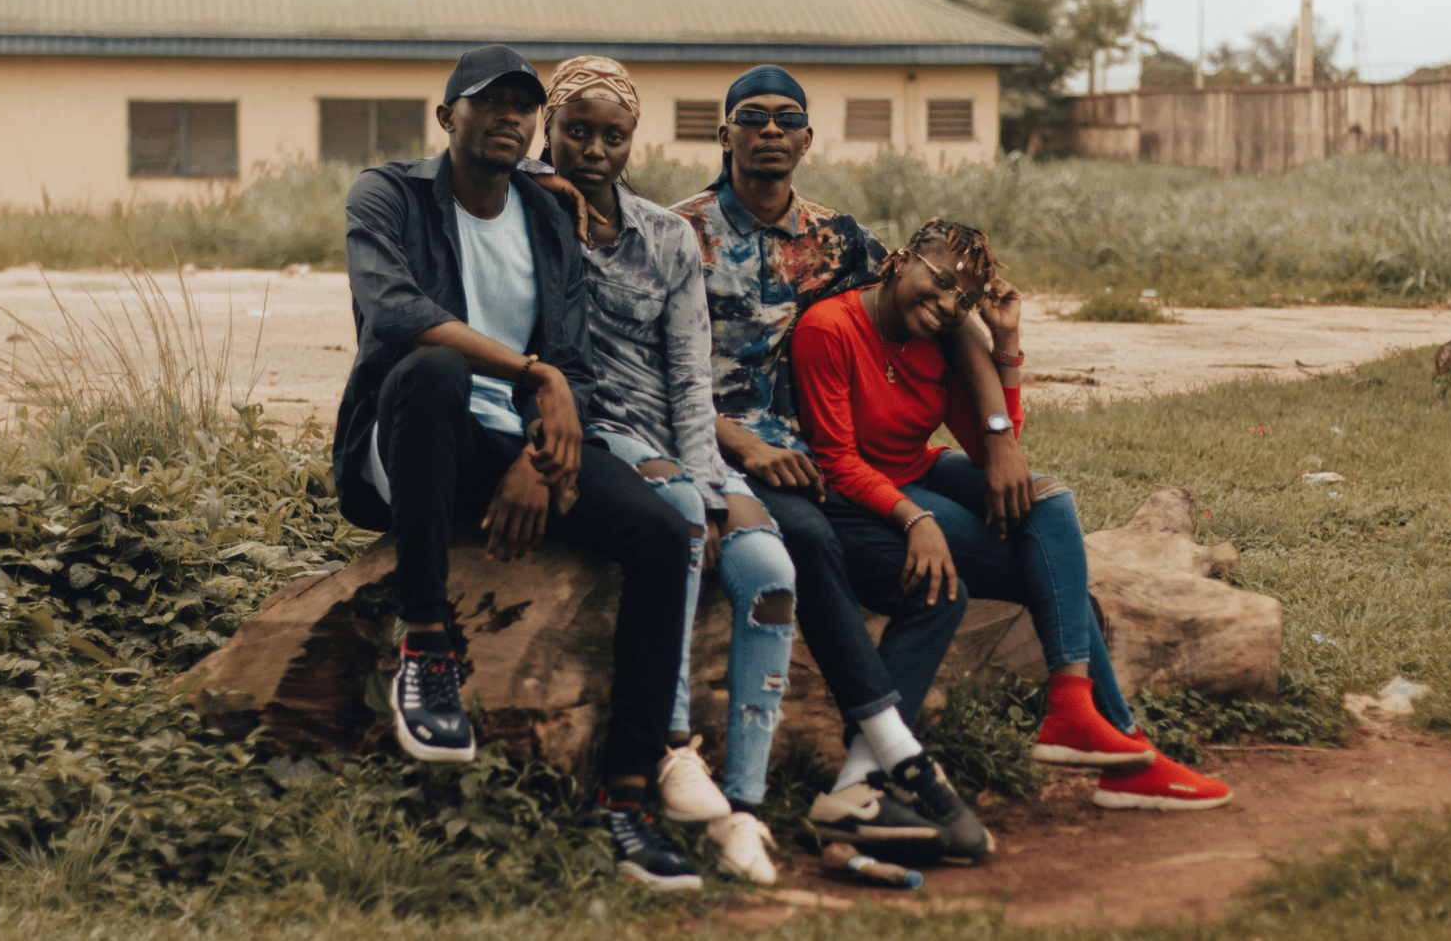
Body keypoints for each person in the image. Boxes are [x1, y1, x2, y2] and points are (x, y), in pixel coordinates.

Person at [332, 44, 702, 891]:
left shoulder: (546, 213)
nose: (509, 116)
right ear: (447, 116)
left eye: (523, 105)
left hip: (508, 444)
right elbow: (396, 312)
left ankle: (628, 795)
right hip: (413, 442)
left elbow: (570, 358)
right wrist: (534, 376)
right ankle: (426, 645)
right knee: (433, 369)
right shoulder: (387, 194)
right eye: (488, 101)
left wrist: (540, 456)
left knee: (661, 532)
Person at [671, 66, 1031, 864]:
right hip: (718, 454)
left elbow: (945, 322)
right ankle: (904, 755)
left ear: (807, 138)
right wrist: (744, 444)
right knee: (809, 540)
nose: (770, 130)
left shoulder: (843, 240)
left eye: (786, 118)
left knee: (938, 586)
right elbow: (653, 370)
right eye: (752, 117)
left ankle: (856, 782)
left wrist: (998, 429)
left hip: (822, 461)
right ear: (724, 133)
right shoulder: (676, 234)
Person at [790, 217, 1233, 811]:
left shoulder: (943, 338)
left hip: (920, 468)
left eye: (963, 299)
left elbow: (997, 451)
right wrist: (914, 519)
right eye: (940, 281)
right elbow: (836, 460)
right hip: (864, 494)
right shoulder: (830, 328)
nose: (947, 304)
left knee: (1050, 502)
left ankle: (1078, 712)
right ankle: (1125, 750)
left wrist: (1005, 344)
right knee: (1048, 571)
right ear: (900, 261)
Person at [538, 56, 798, 885]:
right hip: (597, 429)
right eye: (576, 130)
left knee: (770, 570)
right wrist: (537, 185)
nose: (594, 149)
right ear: (549, 129)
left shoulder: (665, 236)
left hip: (679, 435)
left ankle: (745, 807)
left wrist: (717, 485)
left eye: (613, 135)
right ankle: (672, 744)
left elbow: (690, 377)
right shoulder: (530, 215)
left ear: (632, 141)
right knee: (680, 512)